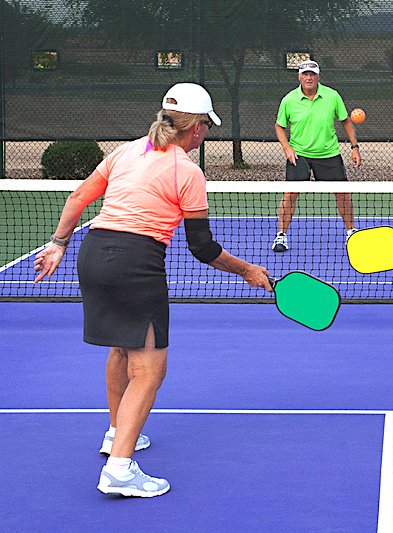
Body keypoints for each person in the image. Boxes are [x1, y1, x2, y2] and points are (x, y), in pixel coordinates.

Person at [33, 83, 271, 496]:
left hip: (92, 254)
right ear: (195, 128)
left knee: (122, 348)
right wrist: (248, 270)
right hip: (134, 265)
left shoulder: (127, 151)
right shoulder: (187, 172)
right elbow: (203, 247)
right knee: (149, 369)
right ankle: (120, 470)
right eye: (206, 127)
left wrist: (57, 243)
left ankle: (115, 434)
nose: (205, 134)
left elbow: (78, 197)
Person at [273, 59, 362, 252]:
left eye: (312, 74)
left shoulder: (332, 96)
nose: (309, 77)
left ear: (318, 76)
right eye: (305, 74)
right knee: (290, 194)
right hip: (299, 155)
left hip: (329, 154)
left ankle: (351, 232)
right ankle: (281, 236)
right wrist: (287, 148)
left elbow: (346, 121)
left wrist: (354, 147)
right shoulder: (289, 100)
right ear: (299, 77)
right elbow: (279, 126)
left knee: (342, 193)